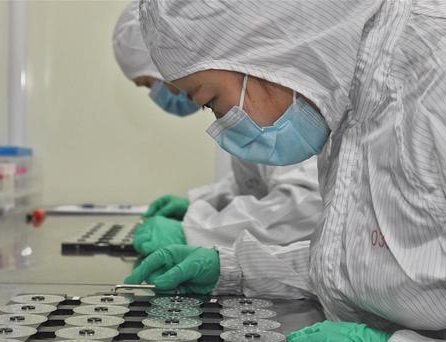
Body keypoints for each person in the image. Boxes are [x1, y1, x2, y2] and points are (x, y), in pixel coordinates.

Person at [128, 1, 446, 342]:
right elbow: (378, 261)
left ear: (263, 50)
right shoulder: (347, 98)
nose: (222, 125)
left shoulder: (442, 74)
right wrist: (236, 270)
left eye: (210, 102)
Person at [112, 1, 322, 263]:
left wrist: (194, 230)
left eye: (206, 101)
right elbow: (253, 183)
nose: (170, 94)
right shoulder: (254, 107)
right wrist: (199, 203)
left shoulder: (286, 116)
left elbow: (303, 204)